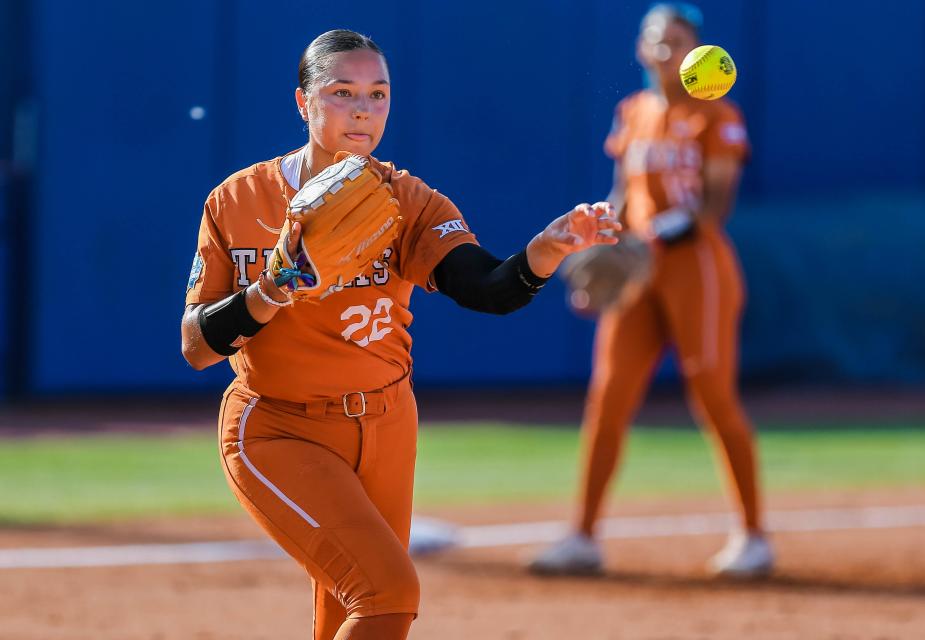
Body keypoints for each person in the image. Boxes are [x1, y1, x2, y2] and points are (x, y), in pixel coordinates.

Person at [180, 29, 619, 640]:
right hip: (280, 427)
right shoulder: (238, 199)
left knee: (358, 610)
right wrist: (270, 289)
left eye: (378, 94)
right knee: (388, 593)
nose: (363, 108)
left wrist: (544, 250)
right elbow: (198, 345)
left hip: (387, 426)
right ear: (303, 103)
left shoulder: (406, 200)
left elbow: (487, 288)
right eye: (342, 92)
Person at [530, 2, 773, 578]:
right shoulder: (632, 111)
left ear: (696, 49)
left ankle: (754, 536)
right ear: (641, 47)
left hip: (697, 268)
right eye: (657, 37)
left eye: (680, 37)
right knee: (608, 397)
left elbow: (713, 208)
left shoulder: (717, 114)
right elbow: (619, 194)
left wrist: (649, 239)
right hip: (638, 270)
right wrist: (603, 252)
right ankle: (583, 536)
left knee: (711, 392)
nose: (666, 46)